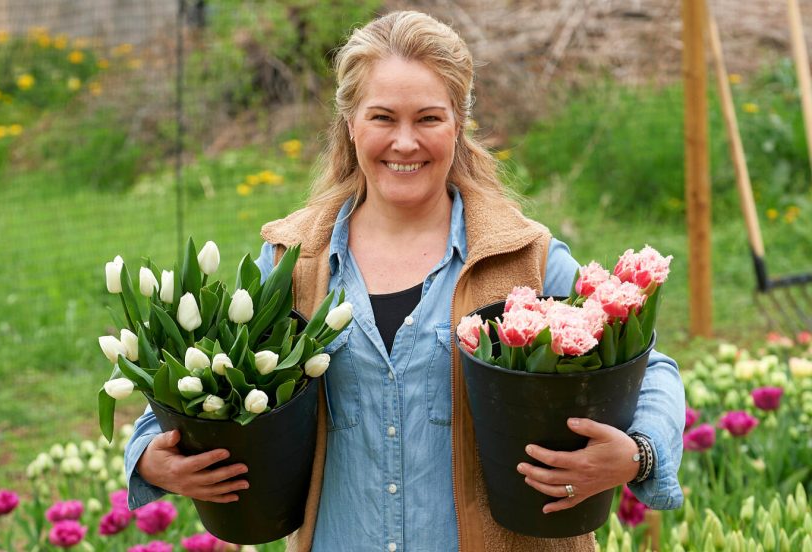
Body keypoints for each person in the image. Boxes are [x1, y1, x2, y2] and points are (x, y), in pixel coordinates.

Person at [124, 10, 685, 551]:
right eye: (383, 117)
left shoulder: (522, 256)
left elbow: (650, 366)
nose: (405, 142)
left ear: (459, 124)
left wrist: (639, 454)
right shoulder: (295, 262)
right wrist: (149, 454)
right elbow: (199, 374)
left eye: (429, 118)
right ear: (350, 123)